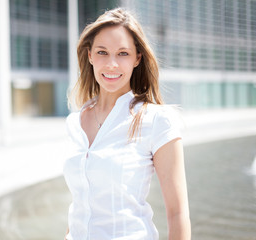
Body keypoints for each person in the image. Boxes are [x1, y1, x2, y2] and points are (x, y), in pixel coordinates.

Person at [63, 8, 191, 240]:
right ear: (90, 55)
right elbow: (79, 203)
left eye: (123, 53)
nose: (111, 64)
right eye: (102, 52)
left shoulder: (156, 121)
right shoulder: (74, 123)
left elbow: (178, 214)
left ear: (137, 59)